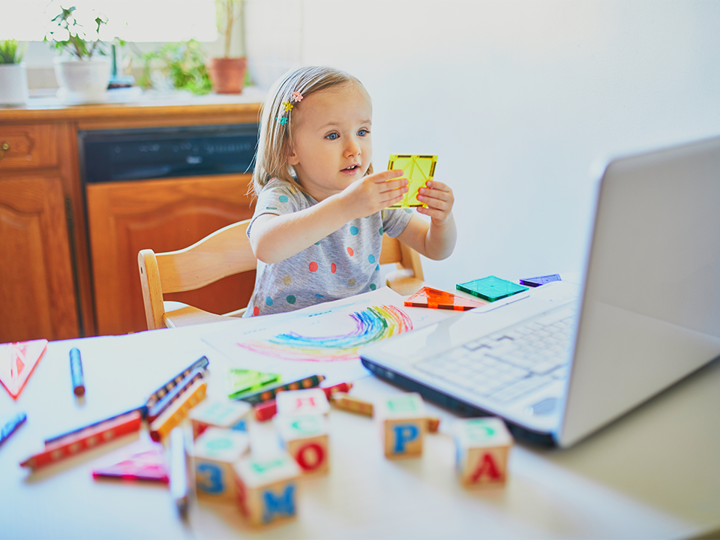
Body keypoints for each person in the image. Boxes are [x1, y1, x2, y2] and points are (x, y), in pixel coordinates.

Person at [244, 66, 456, 317]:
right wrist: (346, 206)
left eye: (362, 132)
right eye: (333, 135)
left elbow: (435, 249)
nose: (354, 148)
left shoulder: (374, 197)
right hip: (286, 336)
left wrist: (443, 220)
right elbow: (265, 247)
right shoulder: (283, 195)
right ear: (291, 149)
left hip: (361, 327)